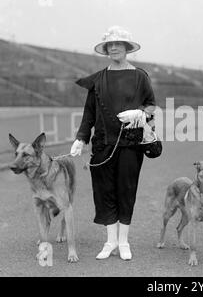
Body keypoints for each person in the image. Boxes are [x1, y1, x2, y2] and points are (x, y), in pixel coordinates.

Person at [70, 26, 156, 261]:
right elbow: (89, 112)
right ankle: (110, 242)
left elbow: (151, 106)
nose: (114, 47)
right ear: (106, 49)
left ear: (127, 48)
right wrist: (81, 138)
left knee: (126, 191)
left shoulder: (140, 76)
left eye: (119, 44)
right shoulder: (99, 79)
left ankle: (124, 242)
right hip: (103, 145)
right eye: (110, 45)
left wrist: (140, 114)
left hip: (130, 144)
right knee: (104, 191)